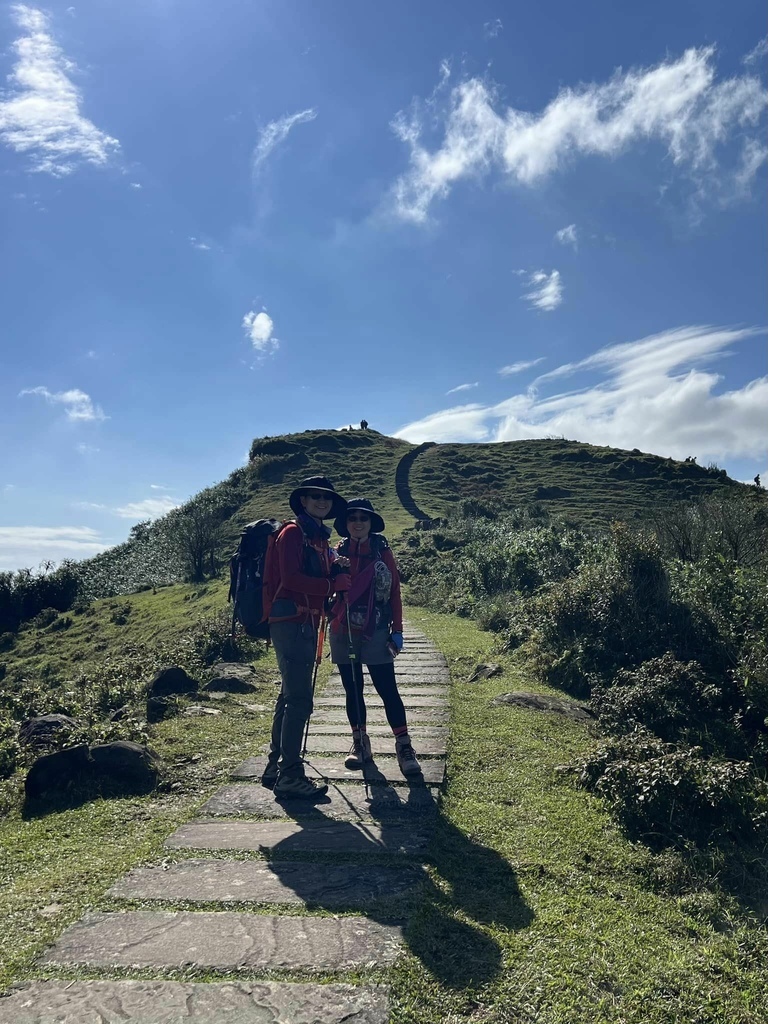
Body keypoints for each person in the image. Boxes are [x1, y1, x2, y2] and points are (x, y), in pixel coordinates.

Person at [262, 476, 351, 798]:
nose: (322, 502)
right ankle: (290, 776)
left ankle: (276, 766)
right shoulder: (293, 533)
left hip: (303, 621)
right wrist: (331, 586)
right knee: (299, 700)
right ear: (302, 500)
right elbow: (291, 578)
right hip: (293, 620)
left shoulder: (317, 538)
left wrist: (334, 569)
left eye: (327, 498)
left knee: (289, 696)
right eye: (315, 497)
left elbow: (313, 576)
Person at [329, 498, 422, 777]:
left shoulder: (383, 552)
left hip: (377, 629)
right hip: (342, 627)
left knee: (387, 689)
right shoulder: (336, 552)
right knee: (352, 689)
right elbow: (327, 589)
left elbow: (394, 591)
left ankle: (404, 746)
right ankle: (360, 744)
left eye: (363, 518)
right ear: (346, 524)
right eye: (352, 517)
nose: (358, 522)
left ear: (371, 523)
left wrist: (398, 631)